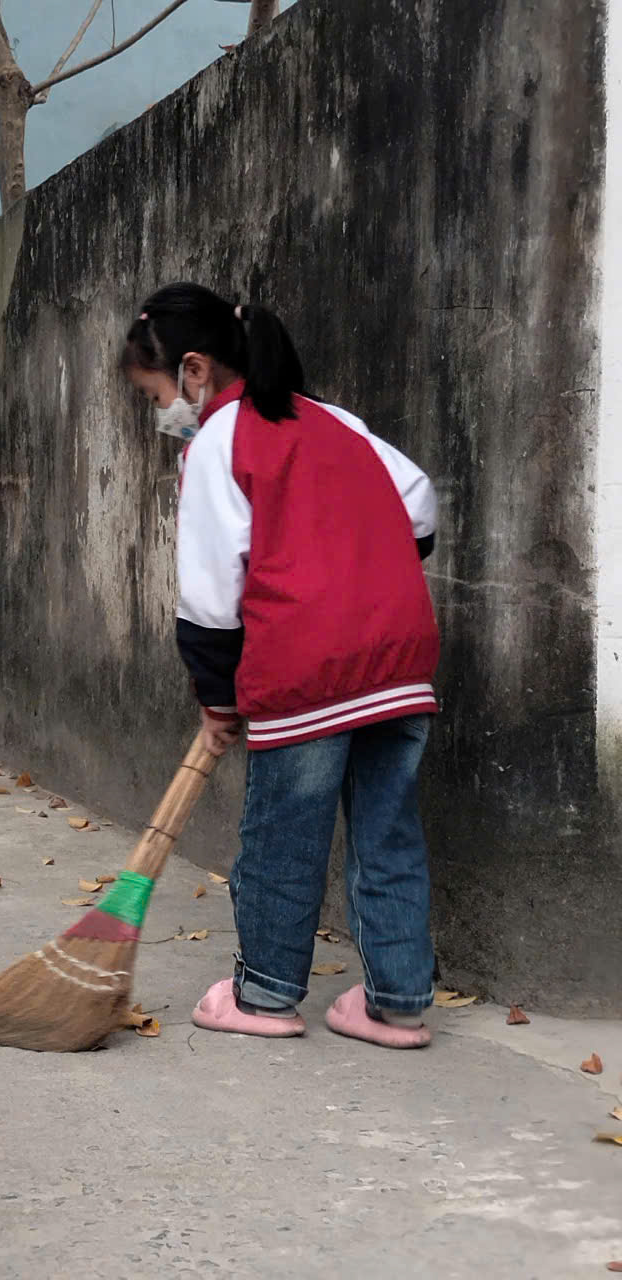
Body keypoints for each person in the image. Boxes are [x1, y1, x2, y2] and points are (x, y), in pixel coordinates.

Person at [120, 282, 440, 1049]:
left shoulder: (218, 442)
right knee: (388, 831)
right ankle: (398, 1001)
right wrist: (360, 562)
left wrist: (217, 700)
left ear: (195, 370)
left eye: (157, 395)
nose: (163, 412)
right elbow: (418, 500)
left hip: (307, 670)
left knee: (282, 836)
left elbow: (209, 599)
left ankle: (263, 995)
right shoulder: (334, 420)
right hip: (400, 657)